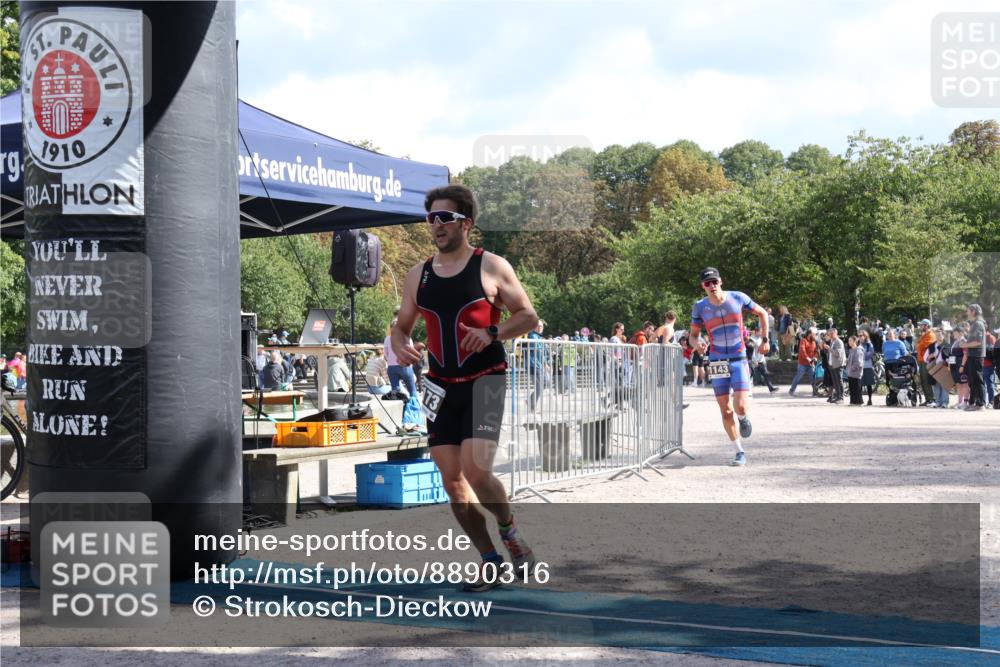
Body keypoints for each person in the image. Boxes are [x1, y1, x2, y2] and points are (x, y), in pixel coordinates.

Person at [391, 183, 539, 591]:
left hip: (484, 379)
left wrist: (493, 332)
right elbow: (401, 327)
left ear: (466, 223)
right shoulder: (416, 275)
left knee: (477, 470)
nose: (436, 225)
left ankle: (510, 532)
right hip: (439, 384)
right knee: (453, 481)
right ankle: (489, 559)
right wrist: (401, 345)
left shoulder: (491, 266)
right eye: (431, 218)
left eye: (445, 218)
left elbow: (527, 316)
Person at [686, 267, 770, 467]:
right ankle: (739, 451)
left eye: (714, 281)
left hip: (739, 357)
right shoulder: (699, 307)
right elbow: (692, 335)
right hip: (717, 360)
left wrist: (765, 340)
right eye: (708, 283)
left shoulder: (737, 297)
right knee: (725, 410)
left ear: (721, 281)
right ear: (703, 286)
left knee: (739, 406)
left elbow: (763, 314)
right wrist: (696, 344)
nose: (712, 286)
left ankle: (743, 417)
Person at [960, 304, 988, 411]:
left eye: (968, 311)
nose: (967, 313)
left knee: (977, 379)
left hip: (977, 355)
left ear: (973, 312)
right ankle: (974, 403)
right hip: (973, 355)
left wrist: (965, 345)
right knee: (973, 380)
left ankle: (980, 404)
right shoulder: (975, 323)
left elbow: (978, 342)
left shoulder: (978, 324)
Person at [384, 319, 419, 398]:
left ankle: (398, 408)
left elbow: (385, 354)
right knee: (412, 390)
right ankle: (414, 408)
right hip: (405, 367)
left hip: (392, 367)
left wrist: (390, 360)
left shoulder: (387, 339)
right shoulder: (407, 338)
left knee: (395, 392)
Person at [788, 328, 818, 396]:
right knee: (798, 377)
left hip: (811, 364)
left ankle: (815, 392)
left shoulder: (814, 341)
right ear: (810, 334)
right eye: (814, 334)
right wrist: (808, 358)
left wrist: (815, 357)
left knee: (813, 378)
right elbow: (802, 350)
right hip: (802, 364)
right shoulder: (803, 340)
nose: (815, 336)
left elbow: (816, 350)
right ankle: (791, 390)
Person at [914, 319, 936, 406]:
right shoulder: (925, 335)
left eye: (922, 325)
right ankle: (928, 399)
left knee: (927, 380)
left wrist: (918, 344)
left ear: (926, 325)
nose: (920, 327)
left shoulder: (930, 335)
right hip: (921, 360)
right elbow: (918, 346)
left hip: (926, 361)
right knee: (923, 380)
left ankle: (931, 399)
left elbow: (920, 346)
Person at [749, 327, 778, 393]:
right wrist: (754, 360)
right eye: (760, 332)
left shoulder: (762, 338)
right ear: (756, 332)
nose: (761, 333)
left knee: (766, 374)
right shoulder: (752, 339)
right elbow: (751, 351)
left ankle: (771, 388)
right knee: (750, 375)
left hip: (761, 360)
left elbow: (765, 348)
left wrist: (766, 341)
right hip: (754, 360)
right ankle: (747, 390)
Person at [826, 327, 845, 403]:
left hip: (838, 365)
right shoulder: (832, 342)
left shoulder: (838, 342)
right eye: (829, 334)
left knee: (839, 381)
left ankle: (841, 398)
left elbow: (837, 354)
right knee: (835, 382)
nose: (830, 335)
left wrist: (829, 348)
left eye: (831, 333)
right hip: (832, 365)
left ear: (835, 333)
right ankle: (837, 397)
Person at [858, 329, 876, 406]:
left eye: (861, 336)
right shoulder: (858, 344)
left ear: (865, 336)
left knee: (869, 384)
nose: (860, 337)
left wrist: (861, 354)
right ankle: (860, 399)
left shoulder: (869, 345)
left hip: (868, 366)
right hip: (860, 367)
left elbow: (869, 355)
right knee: (860, 384)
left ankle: (870, 399)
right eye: (859, 336)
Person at [846, 336, 865, 405]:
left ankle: (859, 402)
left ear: (854, 341)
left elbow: (858, 363)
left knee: (857, 388)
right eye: (849, 341)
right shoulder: (851, 350)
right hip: (850, 373)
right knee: (852, 388)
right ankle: (853, 401)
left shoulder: (858, 350)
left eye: (850, 340)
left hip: (856, 373)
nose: (849, 342)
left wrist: (852, 368)